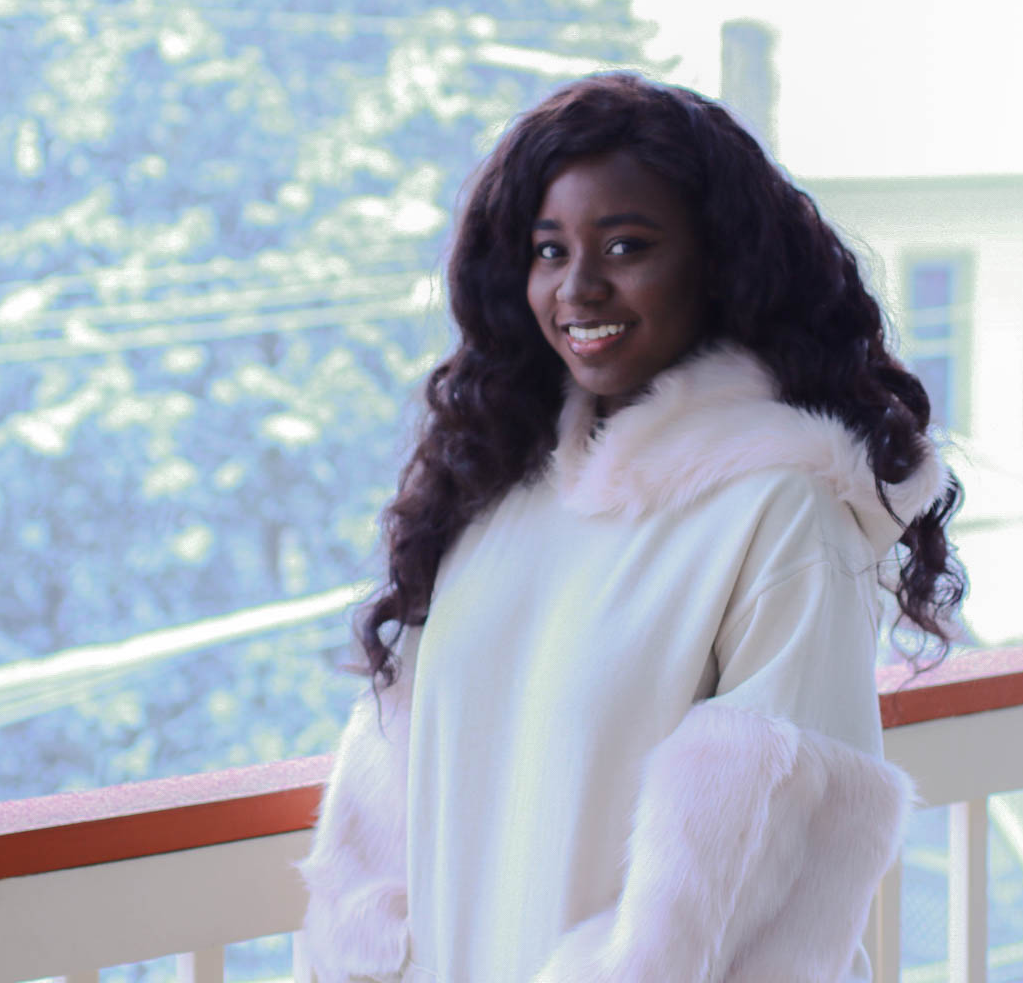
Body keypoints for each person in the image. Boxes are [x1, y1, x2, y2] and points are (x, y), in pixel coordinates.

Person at [298, 72, 964, 983]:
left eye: (627, 245)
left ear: (720, 262)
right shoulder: (498, 488)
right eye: (547, 250)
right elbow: (384, 828)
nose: (579, 287)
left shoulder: (779, 511)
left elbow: (765, 889)